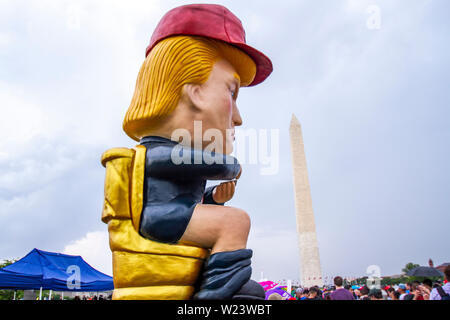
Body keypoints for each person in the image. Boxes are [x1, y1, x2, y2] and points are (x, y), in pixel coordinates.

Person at [103, 3, 273, 300]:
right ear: (193, 91)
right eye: (231, 92)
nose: (239, 118)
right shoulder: (158, 152)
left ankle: (223, 283)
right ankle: (213, 296)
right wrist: (229, 166)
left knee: (249, 286)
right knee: (236, 221)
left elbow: (185, 197)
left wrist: (211, 199)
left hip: (170, 217)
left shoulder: (172, 157)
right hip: (157, 219)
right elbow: (186, 168)